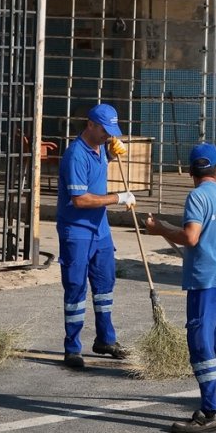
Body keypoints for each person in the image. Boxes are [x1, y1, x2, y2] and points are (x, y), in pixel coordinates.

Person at [145, 142, 216, 433]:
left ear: (191, 171)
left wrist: (161, 229)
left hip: (205, 283)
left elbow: (191, 237)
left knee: (201, 345)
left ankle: (208, 413)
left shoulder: (197, 197)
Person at [56, 103, 138, 369]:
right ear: (90, 124)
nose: (109, 136)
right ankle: (72, 348)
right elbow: (80, 200)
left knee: (105, 285)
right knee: (76, 287)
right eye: (105, 131)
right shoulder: (75, 155)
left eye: (112, 132)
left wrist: (111, 155)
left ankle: (105, 339)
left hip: (100, 231)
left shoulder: (101, 148)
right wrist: (118, 198)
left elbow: (98, 168)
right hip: (77, 231)